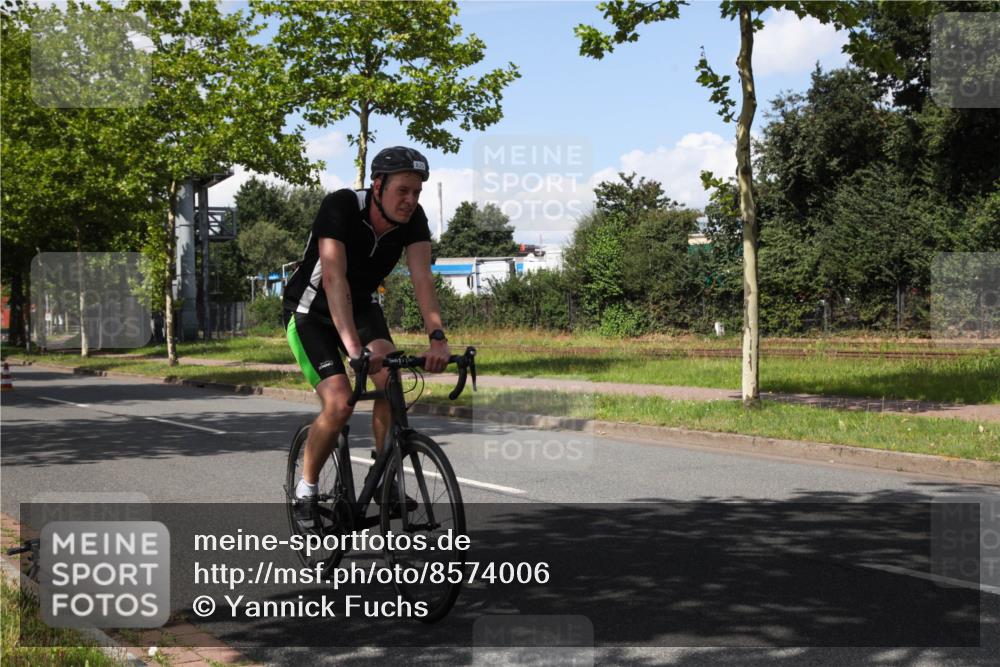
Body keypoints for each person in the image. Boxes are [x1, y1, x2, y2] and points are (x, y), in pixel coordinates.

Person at [282, 146, 450, 527]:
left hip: (360, 309)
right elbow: (332, 277)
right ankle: (306, 489)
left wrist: (437, 336)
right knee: (340, 402)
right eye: (402, 191)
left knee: (391, 380)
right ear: (377, 185)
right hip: (312, 313)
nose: (411, 201)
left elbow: (422, 278)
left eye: (417, 193)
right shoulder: (340, 207)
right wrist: (354, 349)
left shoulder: (414, 220)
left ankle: (383, 477)